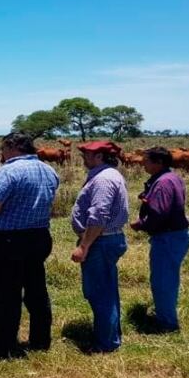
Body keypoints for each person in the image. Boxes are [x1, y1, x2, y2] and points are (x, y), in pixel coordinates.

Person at [0, 132, 59, 357]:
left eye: (4, 148)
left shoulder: (9, 171)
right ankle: (40, 340)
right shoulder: (48, 170)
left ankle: (4, 346)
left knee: (7, 294)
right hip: (40, 237)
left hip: (10, 240)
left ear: (13, 147)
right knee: (37, 290)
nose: (2, 153)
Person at [70, 141, 129, 353]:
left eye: (87, 154)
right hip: (105, 239)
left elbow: (99, 216)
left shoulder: (103, 179)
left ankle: (106, 343)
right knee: (106, 289)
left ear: (100, 157)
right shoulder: (108, 175)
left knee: (99, 292)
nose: (84, 157)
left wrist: (84, 246)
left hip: (100, 241)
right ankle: (111, 335)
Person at [130, 147, 189, 332]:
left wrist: (141, 224)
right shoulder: (173, 177)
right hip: (176, 235)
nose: (143, 163)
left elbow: (159, 212)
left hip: (167, 237)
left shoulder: (163, 183)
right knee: (168, 278)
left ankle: (167, 324)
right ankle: (165, 316)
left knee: (163, 281)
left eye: (147, 160)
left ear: (158, 163)